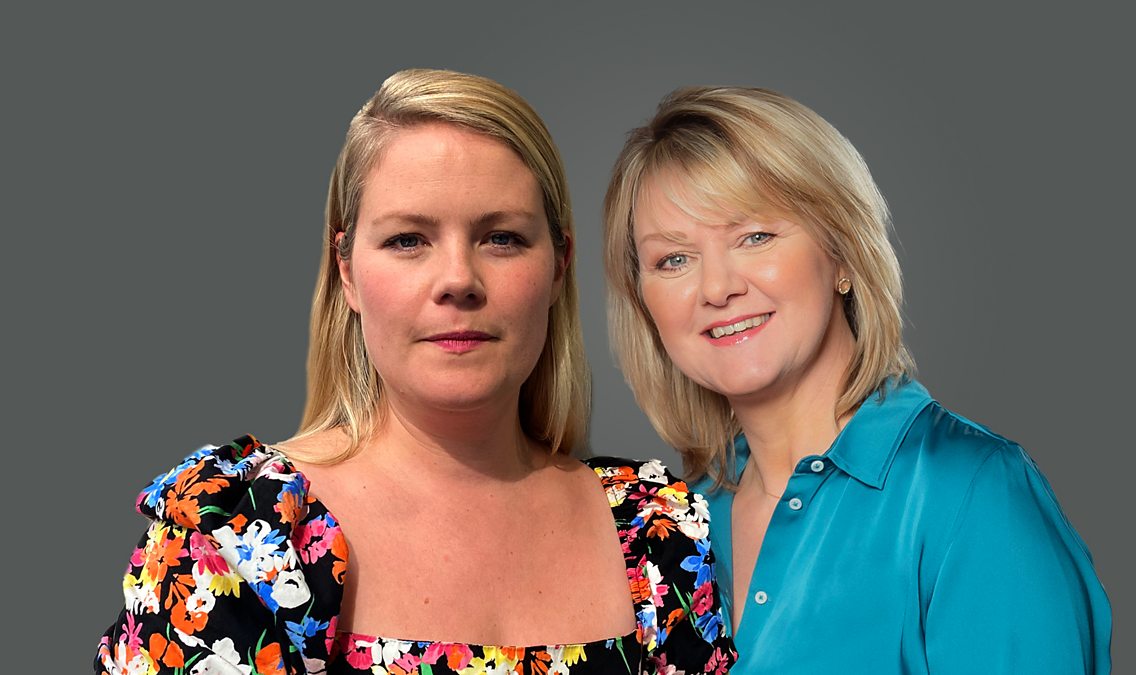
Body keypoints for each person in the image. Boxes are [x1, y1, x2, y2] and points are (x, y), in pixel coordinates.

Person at [96, 69, 735, 675]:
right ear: (346, 270)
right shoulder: (241, 533)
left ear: (558, 267)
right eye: (408, 240)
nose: (458, 279)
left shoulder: (657, 531)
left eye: (502, 238)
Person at [602, 86, 1111, 673]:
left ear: (842, 252)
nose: (717, 288)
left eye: (755, 236)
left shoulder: (970, 494)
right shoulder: (671, 522)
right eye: (674, 259)